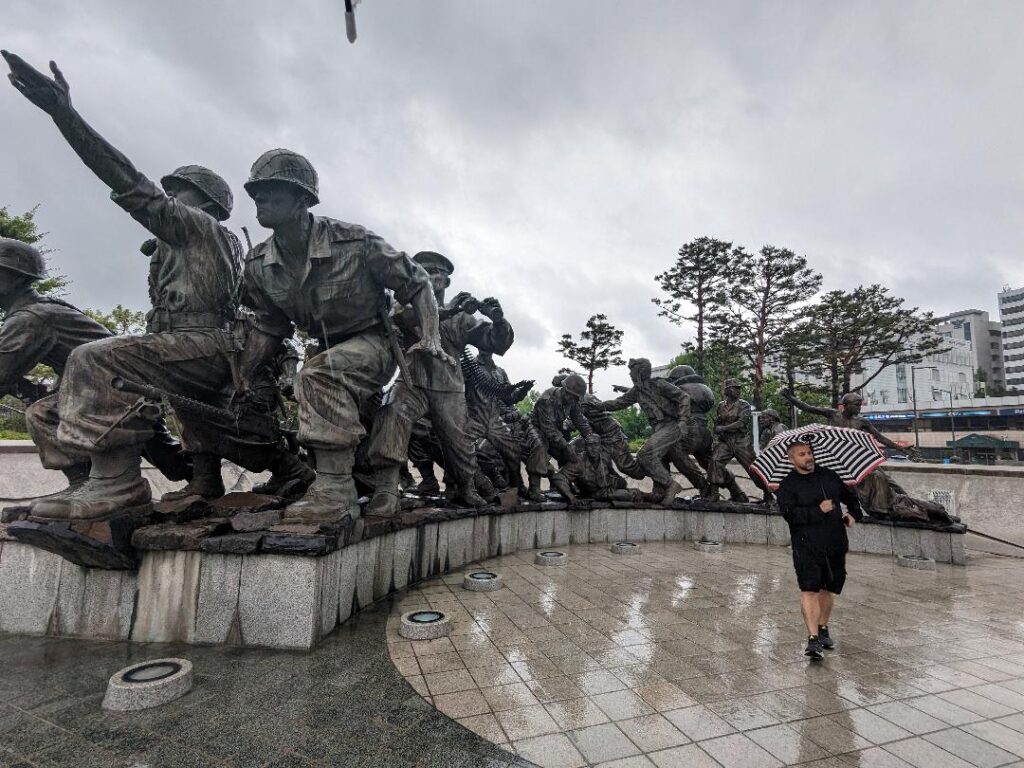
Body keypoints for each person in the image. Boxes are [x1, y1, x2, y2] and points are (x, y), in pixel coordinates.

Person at [240, 149, 446, 523]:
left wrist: (430, 337)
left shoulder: (355, 242)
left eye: (272, 190)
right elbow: (270, 325)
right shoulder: (258, 264)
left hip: (375, 341)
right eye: (256, 192)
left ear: (303, 199)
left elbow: (418, 285)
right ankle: (348, 477)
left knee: (320, 376)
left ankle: (335, 490)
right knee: (314, 380)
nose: (259, 199)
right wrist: (244, 373)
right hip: (325, 347)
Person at [781, 389, 952, 523]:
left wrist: (903, 449)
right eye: (856, 404)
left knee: (894, 486)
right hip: (842, 462)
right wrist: (790, 398)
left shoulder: (862, 422)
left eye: (860, 404)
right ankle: (881, 509)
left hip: (860, 459)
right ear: (845, 404)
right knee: (877, 478)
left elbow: (880, 438)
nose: (859, 407)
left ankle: (918, 507)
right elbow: (807, 407)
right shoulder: (833, 414)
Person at [776, 440, 862, 660]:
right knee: (809, 589)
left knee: (828, 589)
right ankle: (812, 639)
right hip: (806, 545)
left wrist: (853, 515)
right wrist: (818, 510)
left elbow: (852, 498)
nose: (808, 457)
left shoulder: (829, 476)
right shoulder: (787, 485)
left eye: (809, 453)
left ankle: (823, 628)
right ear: (792, 459)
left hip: (834, 542)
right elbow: (790, 516)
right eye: (802, 454)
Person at [598, 358, 687, 506]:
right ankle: (660, 493)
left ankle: (671, 485)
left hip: (672, 426)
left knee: (645, 454)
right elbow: (618, 403)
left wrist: (683, 420)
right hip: (659, 428)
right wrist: (598, 406)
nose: (630, 374)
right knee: (654, 459)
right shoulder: (637, 391)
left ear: (640, 372)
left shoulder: (659, 384)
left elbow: (683, 397)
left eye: (631, 371)